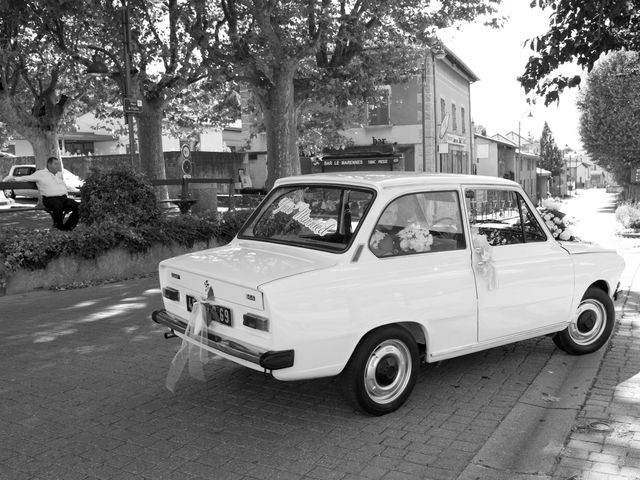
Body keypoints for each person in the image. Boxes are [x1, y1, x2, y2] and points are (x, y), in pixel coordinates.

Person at [17, 157, 79, 230]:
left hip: (63, 198)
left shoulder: (59, 174)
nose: (58, 166)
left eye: (58, 164)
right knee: (57, 205)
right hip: (50, 199)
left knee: (79, 207)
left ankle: (68, 228)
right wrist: (12, 178)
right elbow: (26, 178)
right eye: (56, 164)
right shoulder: (40, 173)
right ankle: (59, 227)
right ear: (49, 165)